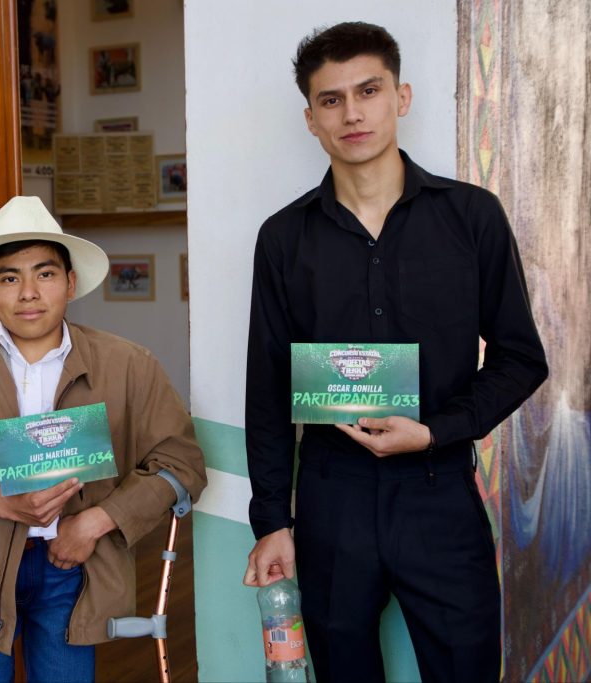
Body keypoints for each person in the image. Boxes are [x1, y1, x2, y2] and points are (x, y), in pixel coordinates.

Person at [242, 22, 547, 683]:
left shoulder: (472, 217)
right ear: (311, 119)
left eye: (369, 91)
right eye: (331, 100)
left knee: (466, 669)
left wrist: (436, 431)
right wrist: (271, 520)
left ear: (401, 97)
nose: (352, 113)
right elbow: (267, 389)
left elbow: (522, 358)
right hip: (330, 498)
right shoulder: (284, 238)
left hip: (439, 491)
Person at [0, 196, 207, 683]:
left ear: (70, 283)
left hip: (73, 563)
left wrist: (94, 523)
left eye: (45, 274)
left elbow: (181, 464)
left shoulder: (127, 363)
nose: (28, 293)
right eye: (10, 279)